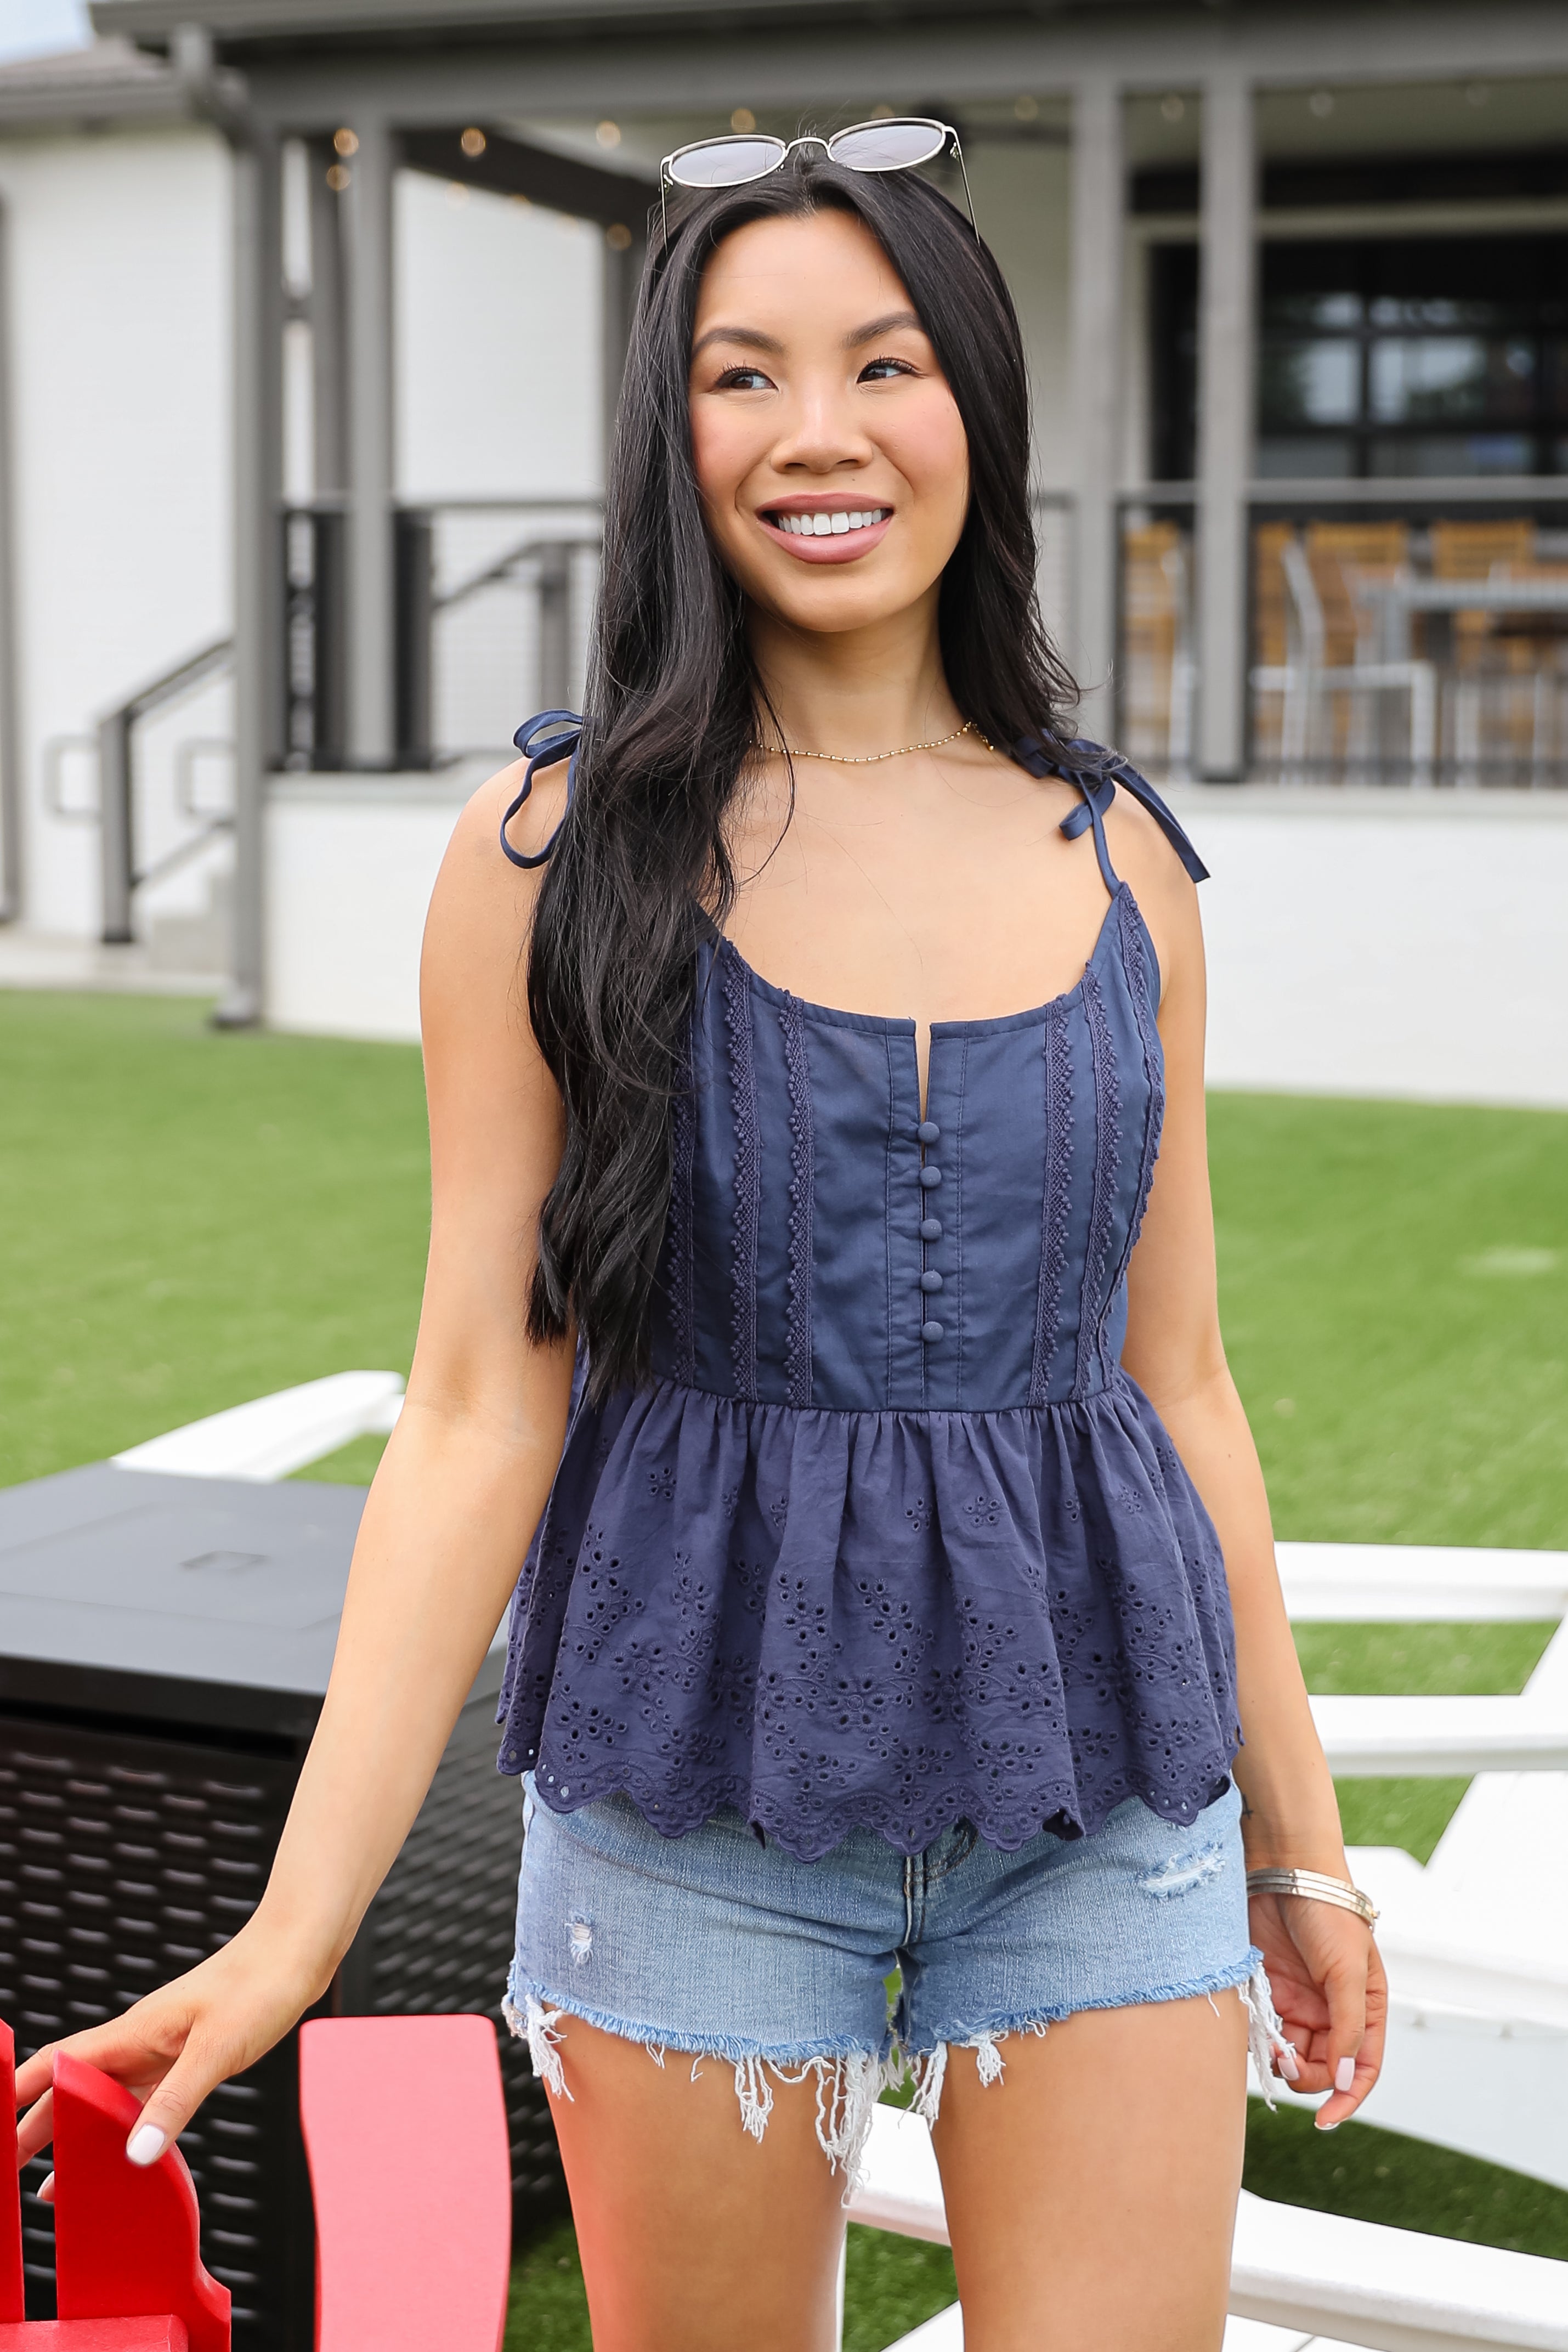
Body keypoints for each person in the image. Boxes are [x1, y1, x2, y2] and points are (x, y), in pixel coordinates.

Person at [18, 129, 1385, 2351]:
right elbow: (477, 1405)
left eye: (883, 364)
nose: (815, 431)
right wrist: (294, 1928)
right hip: (694, 1802)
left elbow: (1180, 1382)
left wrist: (1295, 1841)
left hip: (1102, 1796)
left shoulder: (1122, 856)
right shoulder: (550, 854)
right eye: (742, 375)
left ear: (976, 410)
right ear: (673, 436)